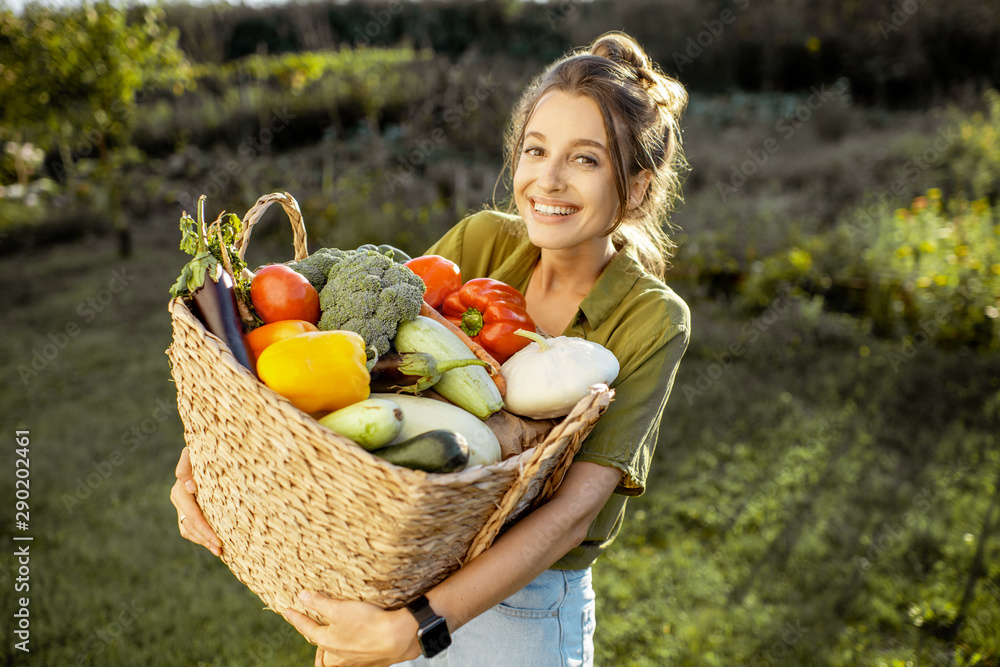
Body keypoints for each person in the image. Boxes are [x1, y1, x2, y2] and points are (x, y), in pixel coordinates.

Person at [171, 31, 691, 667]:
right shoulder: (480, 241)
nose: (546, 180)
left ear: (636, 187)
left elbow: (572, 515)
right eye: (535, 149)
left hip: (518, 609)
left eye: (586, 159)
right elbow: (353, 382)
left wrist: (415, 630)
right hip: (395, 567)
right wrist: (223, 463)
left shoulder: (651, 318)